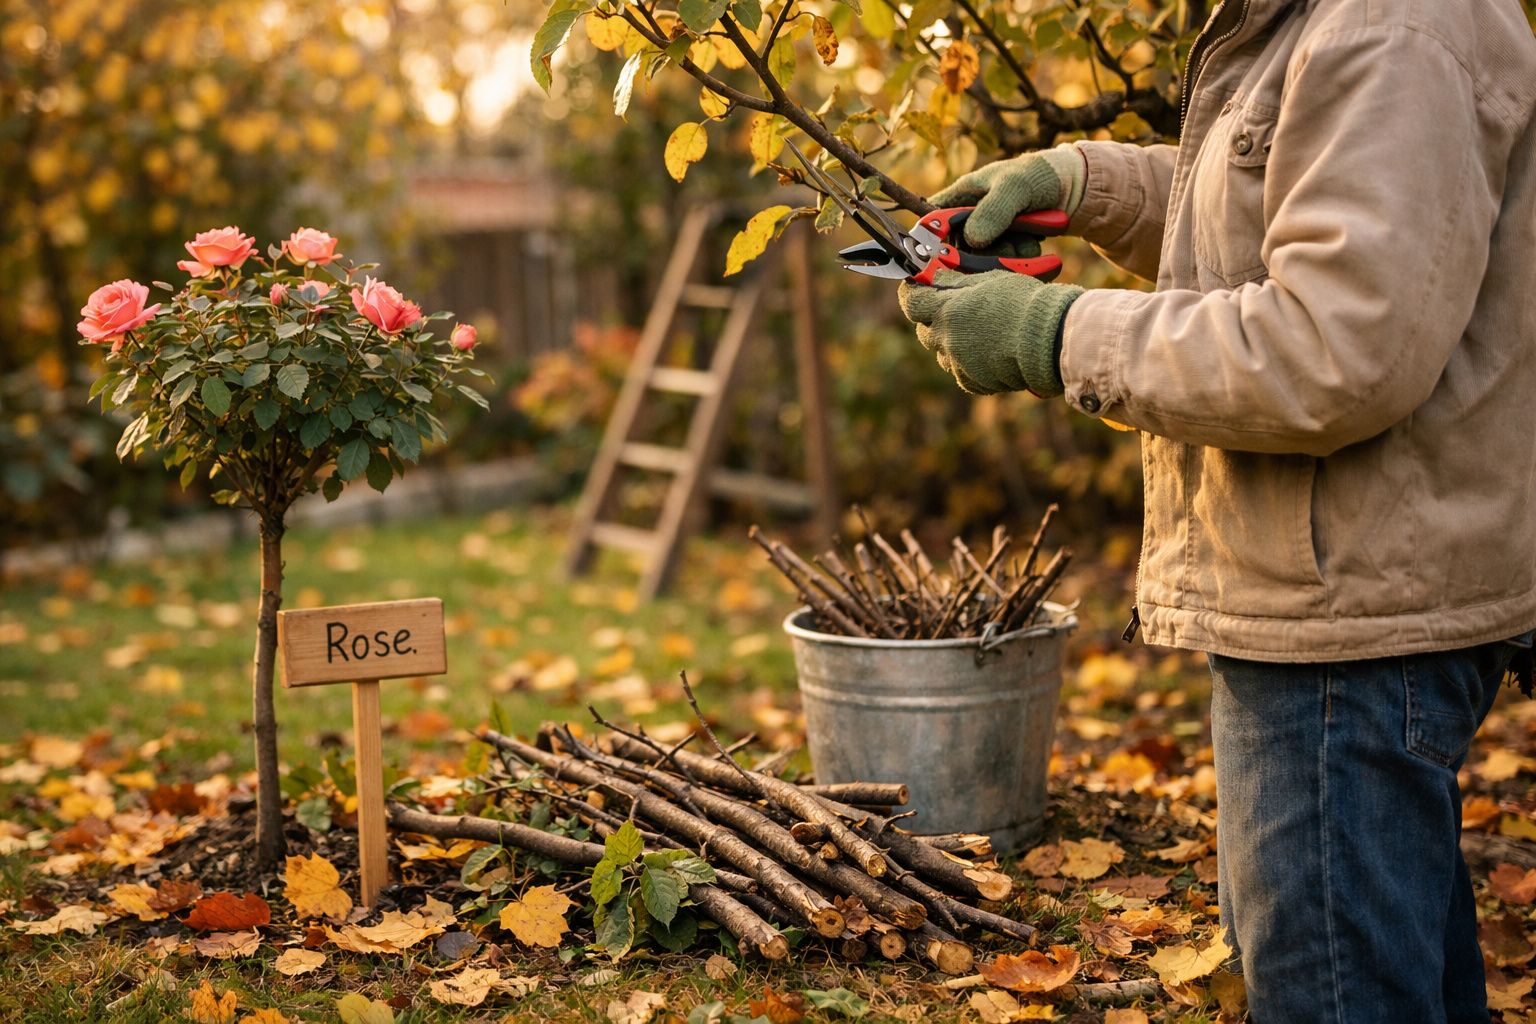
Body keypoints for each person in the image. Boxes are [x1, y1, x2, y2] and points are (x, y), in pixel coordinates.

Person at [897, 2, 1536, 1021]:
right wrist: (1084, 185)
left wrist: (1055, 333)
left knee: (1332, 994)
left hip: (1346, 628)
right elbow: (1278, 211)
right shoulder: (1330, 22)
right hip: (1346, 595)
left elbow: (1333, 350)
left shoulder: (1390, 27)